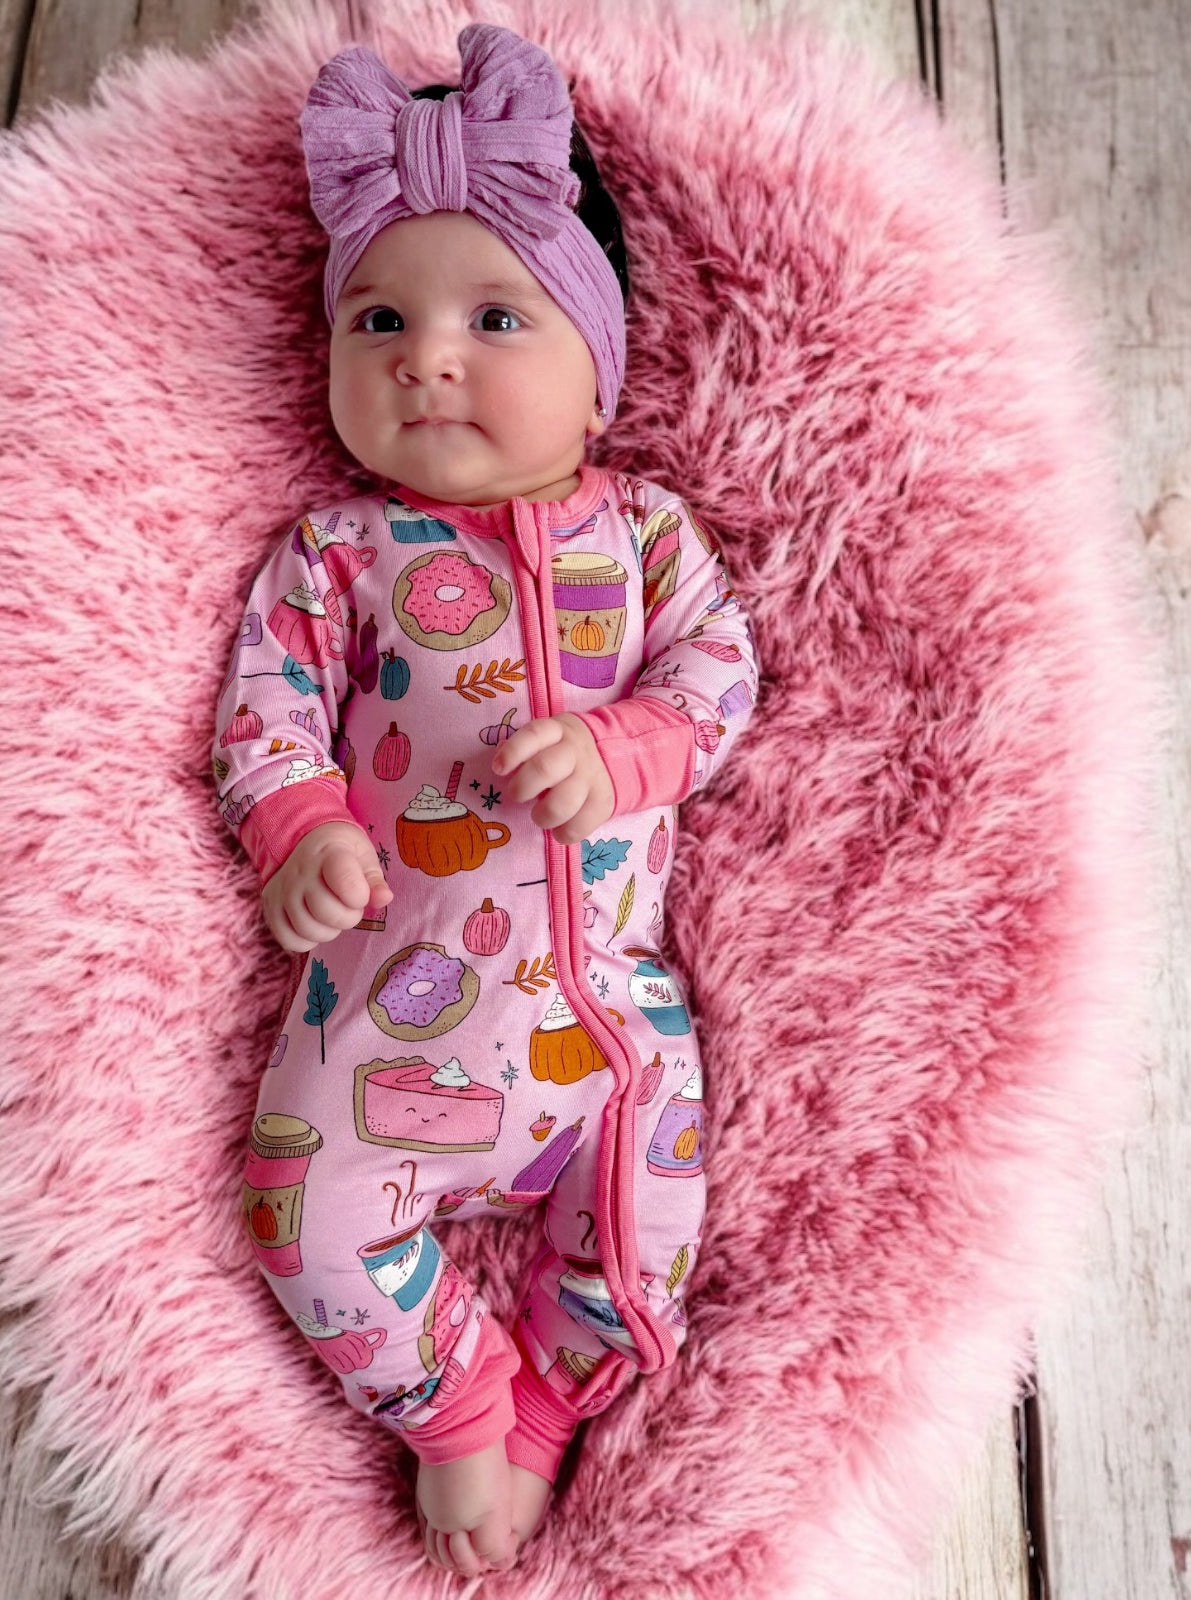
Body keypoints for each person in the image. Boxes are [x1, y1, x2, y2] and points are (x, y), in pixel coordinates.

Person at [212, 22, 759, 1579]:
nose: (424, 354)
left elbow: (722, 676)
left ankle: (548, 1408)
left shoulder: (648, 537)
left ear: (599, 385)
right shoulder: (337, 557)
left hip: (607, 1038)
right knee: (296, 1218)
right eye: (377, 317)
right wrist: (301, 825)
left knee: (656, 1227)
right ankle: (455, 1400)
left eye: (494, 316)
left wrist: (628, 748)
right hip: (377, 1020)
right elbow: (266, 707)